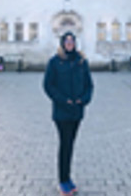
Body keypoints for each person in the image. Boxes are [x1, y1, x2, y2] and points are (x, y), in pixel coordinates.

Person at [43, 31, 94, 195]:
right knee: (65, 145)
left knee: (70, 145)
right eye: (67, 41)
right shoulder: (55, 62)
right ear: (62, 43)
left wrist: (83, 100)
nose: (70, 44)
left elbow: (89, 85)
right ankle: (63, 180)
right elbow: (48, 85)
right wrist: (63, 100)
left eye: (72, 41)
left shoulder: (81, 61)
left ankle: (67, 178)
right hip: (62, 111)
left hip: (77, 111)